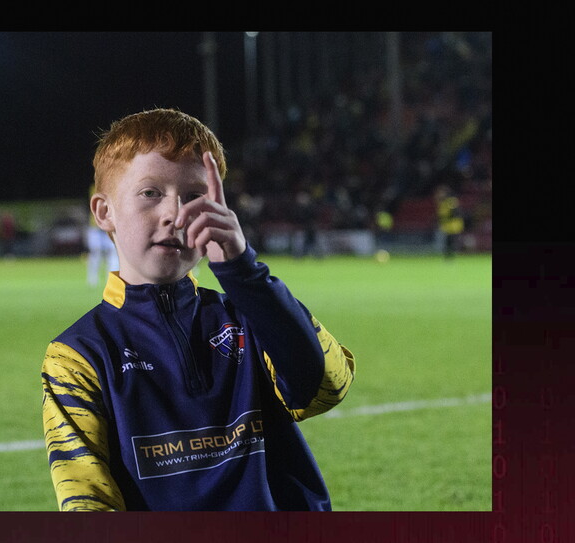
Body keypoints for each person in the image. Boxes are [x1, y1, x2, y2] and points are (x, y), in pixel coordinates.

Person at [41, 108, 356, 511]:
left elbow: (324, 389)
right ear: (105, 212)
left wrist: (244, 272)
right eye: (150, 193)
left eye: (194, 196)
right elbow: (88, 502)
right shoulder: (77, 355)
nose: (175, 214)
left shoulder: (249, 315)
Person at [86, 182, 120, 287]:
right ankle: (92, 278)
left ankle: (111, 279)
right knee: (96, 252)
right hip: (96, 227)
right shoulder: (95, 188)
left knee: (113, 252)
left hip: (110, 225)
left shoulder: (114, 186)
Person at [434, 184, 464, 260]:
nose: (439, 194)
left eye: (441, 192)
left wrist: (445, 218)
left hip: (453, 225)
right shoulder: (442, 202)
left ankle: (452, 256)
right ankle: (448, 257)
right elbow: (440, 215)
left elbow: (455, 212)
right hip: (446, 225)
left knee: (452, 241)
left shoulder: (451, 200)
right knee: (447, 242)